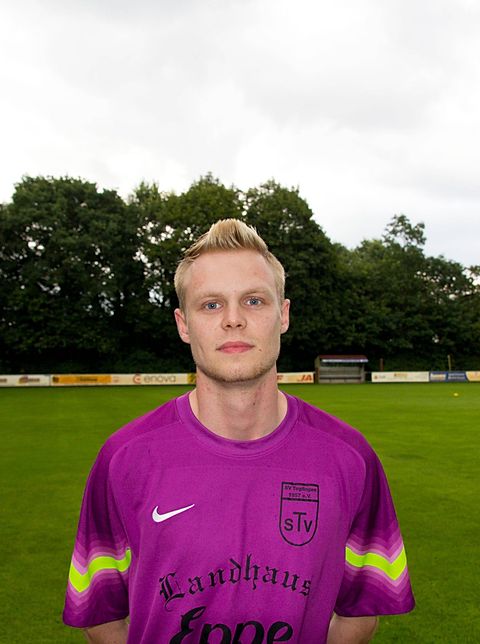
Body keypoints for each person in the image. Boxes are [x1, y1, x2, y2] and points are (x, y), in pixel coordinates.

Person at [63, 219, 415, 643]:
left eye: (253, 300)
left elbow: (360, 611)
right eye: (211, 304)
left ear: (283, 315)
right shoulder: (124, 458)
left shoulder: (351, 457)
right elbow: (102, 615)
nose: (233, 320)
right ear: (183, 324)